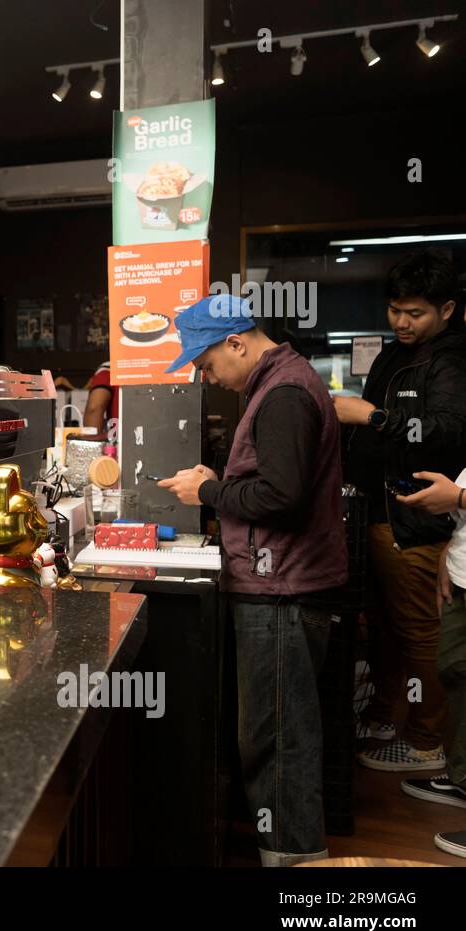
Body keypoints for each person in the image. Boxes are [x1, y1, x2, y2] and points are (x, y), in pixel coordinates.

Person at [158, 294, 347, 866]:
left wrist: (210, 492)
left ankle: (296, 867)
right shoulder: (280, 381)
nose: (208, 375)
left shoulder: (284, 393)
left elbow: (283, 497)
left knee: (279, 740)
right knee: (271, 732)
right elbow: (274, 480)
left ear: (237, 342)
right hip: (278, 583)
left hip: (284, 589)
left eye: (209, 362)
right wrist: (221, 480)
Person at [334, 251, 466, 771]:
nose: (403, 322)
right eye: (395, 310)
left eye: (415, 313)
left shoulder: (452, 358)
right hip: (382, 513)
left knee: (418, 631)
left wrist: (375, 416)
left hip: (418, 518)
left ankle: (426, 742)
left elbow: (449, 430)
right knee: (385, 626)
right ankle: (389, 713)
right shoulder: (394, 355)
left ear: (448, 309)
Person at [394, 468, 466, 858]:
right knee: (455, 670)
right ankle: (463, 778)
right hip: (461, 570)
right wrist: (452, 548)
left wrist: (457, 499)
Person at [82, 362, 118, 440]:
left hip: (119, 445)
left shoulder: (112, 368)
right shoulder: (150, 366)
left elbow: (94, 408)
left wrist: (92, 448)